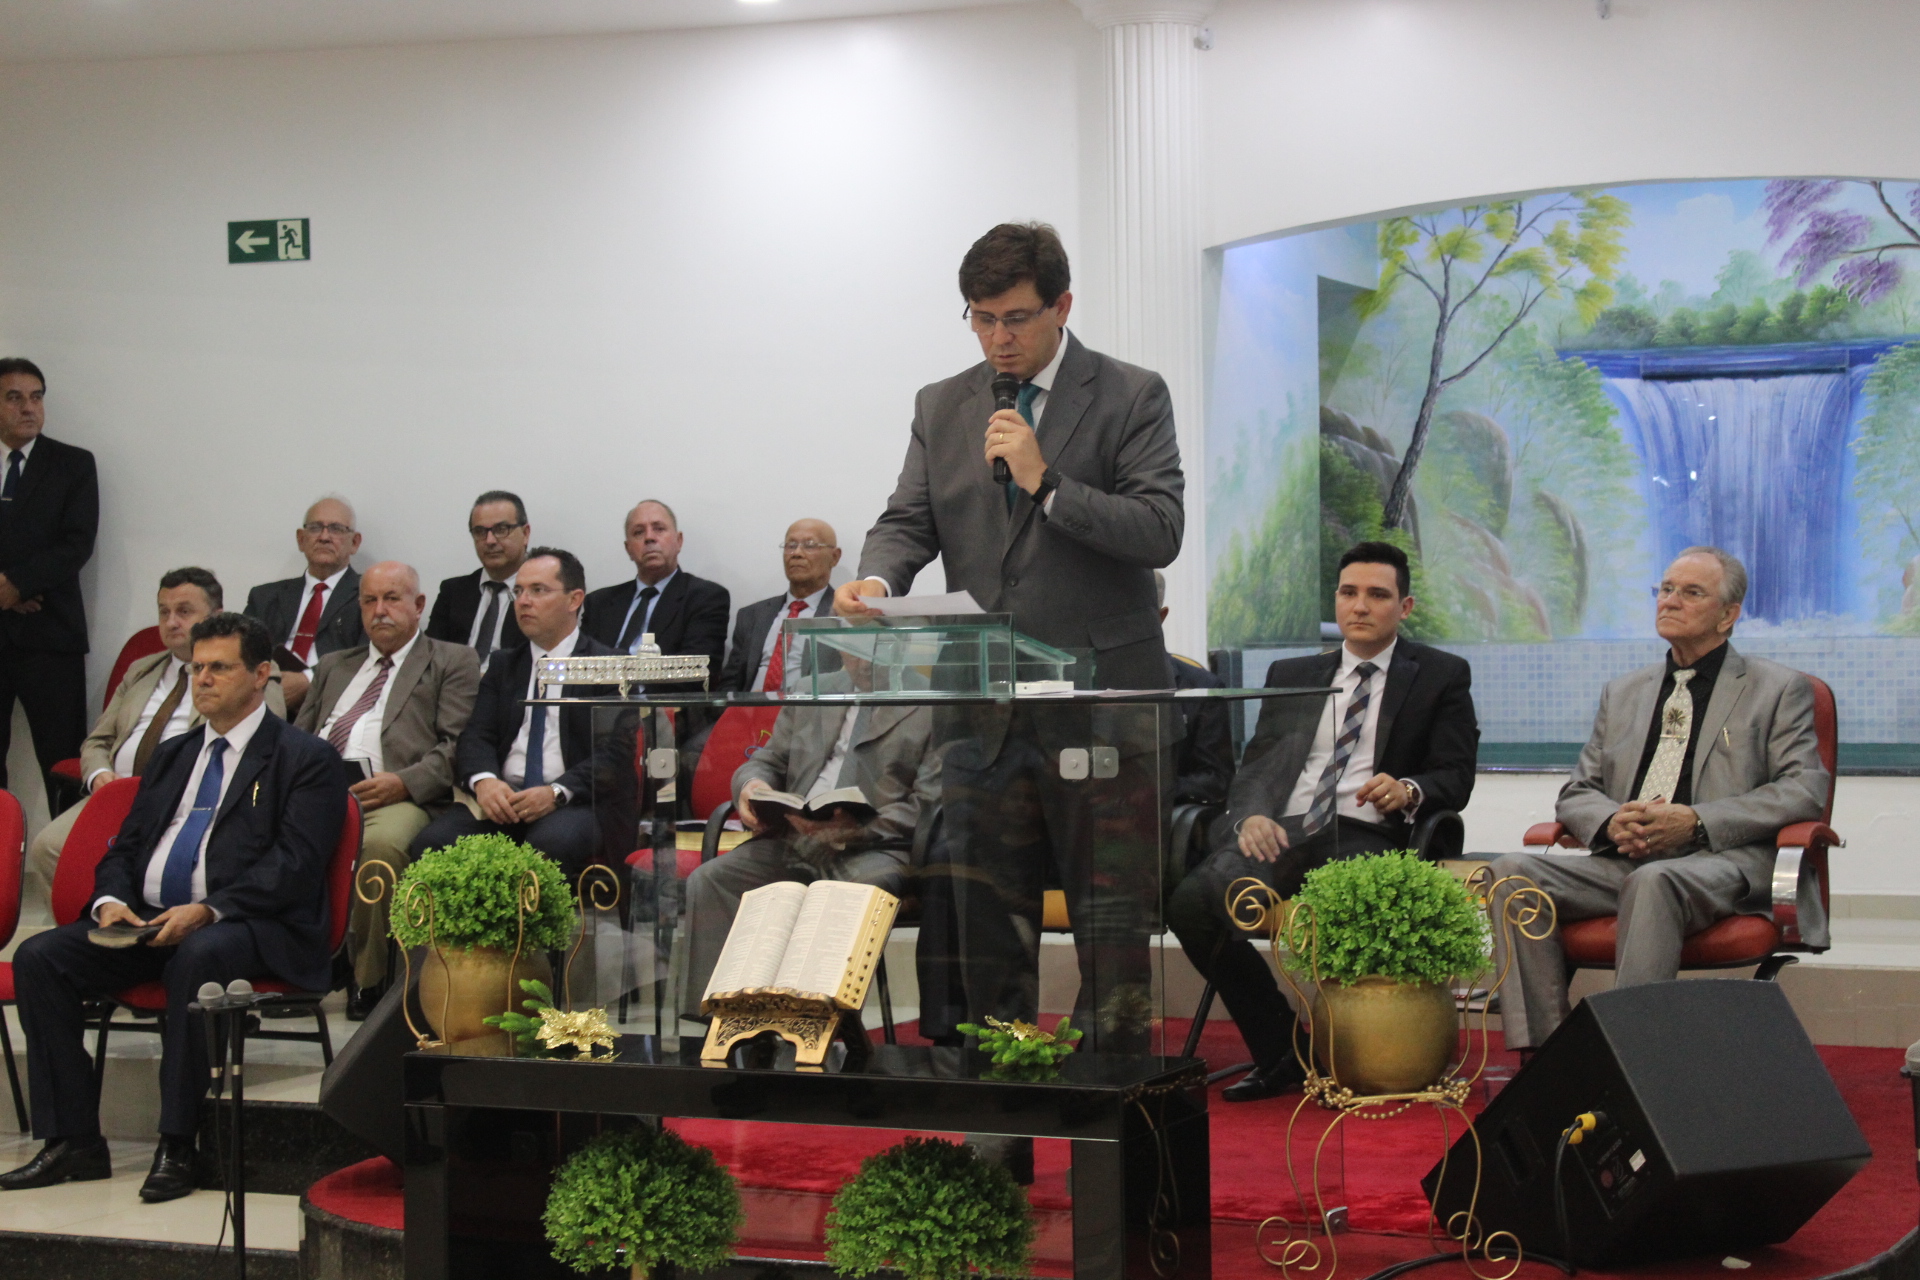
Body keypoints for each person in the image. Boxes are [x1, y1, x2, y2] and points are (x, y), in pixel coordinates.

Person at [837, 222, 1184, 1050]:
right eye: (981, 318)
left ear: (1062, 306)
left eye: (1017, 318)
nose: (999, 338)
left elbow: (1159, 529)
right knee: (988, 928)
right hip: (982, 712)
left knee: (1110, 932)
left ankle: (1113, 1108)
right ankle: (1003, 1107)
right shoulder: (942, 404)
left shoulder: (1132, 394)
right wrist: (878, 581)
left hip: (1103, 711)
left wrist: (1047, 482)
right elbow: (908, 519)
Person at [2, 612, 345, 1201]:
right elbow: (126, 845)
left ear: (261, 674)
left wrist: (208, 910)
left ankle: (179, 1143)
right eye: (196, 668)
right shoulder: (174, 754)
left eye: (219, 668)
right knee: (41, 958)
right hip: (152, 921)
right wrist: (111, 900)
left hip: (253, 925)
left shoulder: (304, 757)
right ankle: (72, 1141)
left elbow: (295, 865)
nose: (202, 679)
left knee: (198, 955)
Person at [1169, 541, 1478, 1100]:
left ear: (1404, 607)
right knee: (1192, 904)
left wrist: (1409, 788)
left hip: (1367, 833)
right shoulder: (1295, 673)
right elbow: (1257, 764)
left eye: (1377, 595)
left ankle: (1366, 1057)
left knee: (1346, 900)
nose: (1359, 606)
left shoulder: (1440, 675)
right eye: (1348, 593)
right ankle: (1283, 1050)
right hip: (1286, 832)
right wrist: (1250, 816)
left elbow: (1455, 774)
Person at [1488, 546, 1829, 1050]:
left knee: (1654, 881)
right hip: (1625, 862)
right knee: (1510, 874)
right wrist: (1610, 823)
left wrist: (1696, 821)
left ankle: (1633, 1057)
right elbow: (1578, 791)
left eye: (1691, 592)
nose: (1670, 601)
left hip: (1721, 863)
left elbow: (1804, 790)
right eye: (1666, 589)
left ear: (1728, 616)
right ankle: (1549, 1054)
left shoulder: (1777, 689)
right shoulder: (1624, 692)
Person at [24, 568, 289, 911]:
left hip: (185, 801)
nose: (171, 622)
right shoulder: (141, 669)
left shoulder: (248, 674)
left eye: (184, 611)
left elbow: (263, 741)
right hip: (115, 792)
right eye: (164, 612)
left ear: (215, 616)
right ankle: (92, 930)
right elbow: (97, 741)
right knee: (48, 846)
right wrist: (98, 775)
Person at [685, 664, 936, 1001]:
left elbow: (928, 804)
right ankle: (720, 1018)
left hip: (874, 846)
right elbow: (768, 761)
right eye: (850, 647)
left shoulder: (930, 701)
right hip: (796, 836)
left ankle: (817, 1022)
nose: (859, 658)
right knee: (713, 879)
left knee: (847, 894)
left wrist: (859, 828)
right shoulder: (813, 688)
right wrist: (752, 785)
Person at [296, 561, 480, 1016]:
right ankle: (296, 972)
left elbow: (455, 745)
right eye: (369, 601)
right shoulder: (335, 665)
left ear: (418, 606)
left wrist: (404, 782)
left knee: (379, 850)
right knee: (270, 839)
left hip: (396, 795)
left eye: (391, 599)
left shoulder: (451, 660)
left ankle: (369, 978)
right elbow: (298, 737)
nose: (379, 610)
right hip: (322, 791)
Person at [412, 548, 618, 884]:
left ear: (574, 599)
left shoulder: (605, 666)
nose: (523, 601)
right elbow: (476, 735)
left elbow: (614, 753)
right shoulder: (504, 664)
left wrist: (556, 792)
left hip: (574, 802)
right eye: (518, 591)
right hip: (505, 800)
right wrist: (485, 782)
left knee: (548, 846)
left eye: (538, 590)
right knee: (433, 843)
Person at [0, 357, 99, 800]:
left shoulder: (72, 465)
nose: (28, 408)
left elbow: (76, 543)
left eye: (36, 397)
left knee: (62, 763)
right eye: (14, 398)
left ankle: (66, 843)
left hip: (50, 637)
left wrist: (17, 585)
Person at [244, 495, 365, 714]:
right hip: (263, 700)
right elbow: (241, 653)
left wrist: (309, 680)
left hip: (332, 706)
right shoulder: (264, 597)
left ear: (354, 542)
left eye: (336, 529)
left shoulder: (370, 596)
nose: (324, 537)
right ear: (301, 539)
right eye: (315, 528)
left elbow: (369, 656)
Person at [582, 499, 729, 671]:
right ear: (628, 549)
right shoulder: (599, 603)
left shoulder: (705, 597)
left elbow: (698, 671)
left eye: (659, 529)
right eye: (638, 532)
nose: (649, 538)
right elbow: (581, 665)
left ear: (679, 541)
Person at [719, 518, 841, 693]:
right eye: (791, 545)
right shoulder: (752, 615)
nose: (796, 553)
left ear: (834, 557)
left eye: (809, 545)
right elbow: (731, 681)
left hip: (806, 708)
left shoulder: (844, 616)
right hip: (750, 706)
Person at [1157, 569, 1234, 812]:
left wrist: (1156, 790)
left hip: (1163, 814)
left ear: (1160, 617)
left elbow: (1217, 779)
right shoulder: (1086, 682)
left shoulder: (1203, 689)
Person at [425, 489, 528, 669]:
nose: (490, 540)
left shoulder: (543, 592)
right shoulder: (453, 591)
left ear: (525, 533)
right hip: (456, 683)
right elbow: (431, 655)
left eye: (501, 530)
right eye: (480, 531)